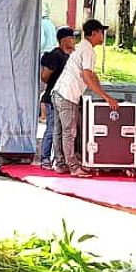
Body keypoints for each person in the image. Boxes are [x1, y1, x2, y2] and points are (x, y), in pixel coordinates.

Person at [50, 19, 118, 178]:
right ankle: (73, 167)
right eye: (101, 32)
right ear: (93, 33)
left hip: (59, 92)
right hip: (67, 94)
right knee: (69, 132)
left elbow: (90, 75)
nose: (103, 35)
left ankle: (61, 164)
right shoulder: (88, 50)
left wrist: (100, 88)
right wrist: (106, 98)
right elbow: (87, 77)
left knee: (59, 131)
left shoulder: (82, 48)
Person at [39, 26, 75, 170]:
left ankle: (59, 158)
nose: (74, 40)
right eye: (71, 37)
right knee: (52, 128)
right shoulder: (55, 55)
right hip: (52, 98)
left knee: (62, 130)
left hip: (67, 98)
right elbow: (44, 76)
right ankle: (45, 157)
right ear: (63, 40)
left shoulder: (72, 56)